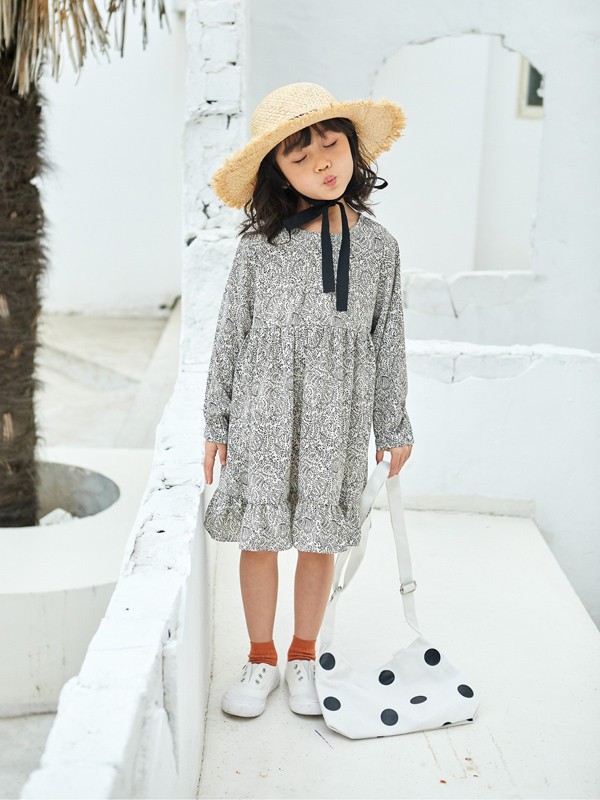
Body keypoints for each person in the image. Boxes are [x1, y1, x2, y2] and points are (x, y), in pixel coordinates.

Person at [202, 82, 414, 719]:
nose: (323, 164)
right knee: (261, 536)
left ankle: (303, 654)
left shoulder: (380, 248)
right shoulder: (258, 248)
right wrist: (217, 421)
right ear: (278, 172)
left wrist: (394, 424)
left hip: (338, 417)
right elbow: (231, 333)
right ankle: (260, 657)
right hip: (264, 411)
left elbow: (387, 340)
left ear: (353, 148)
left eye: (333, 146)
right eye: (301, 156)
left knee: (320, 539)